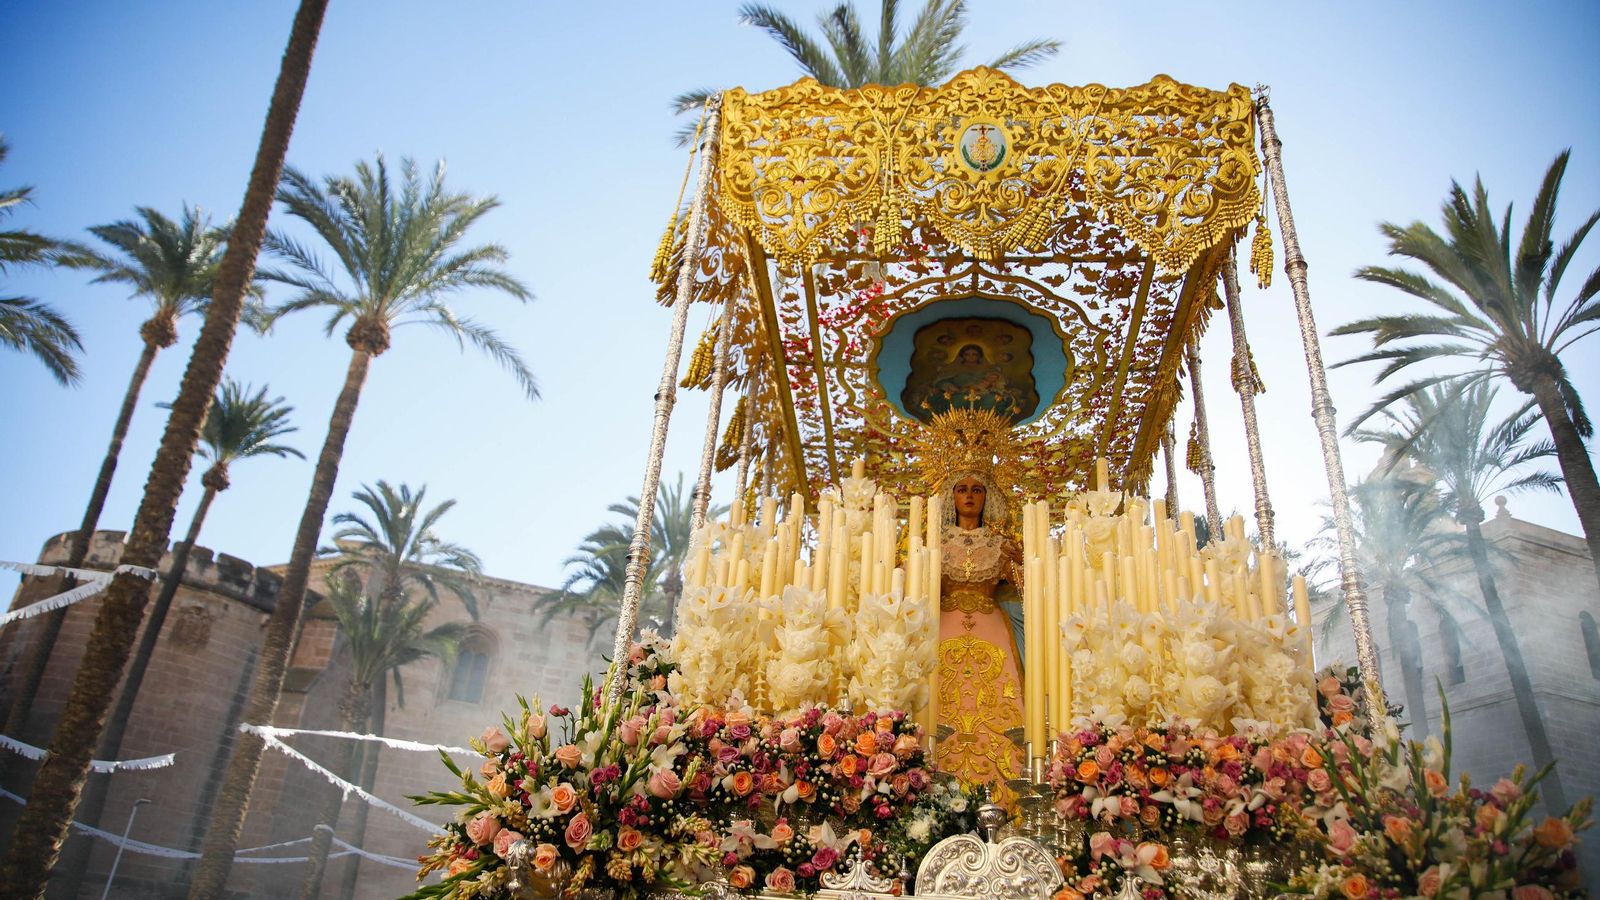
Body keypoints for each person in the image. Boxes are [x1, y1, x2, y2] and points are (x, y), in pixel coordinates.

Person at [933, 469, 1026, 804]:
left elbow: (1025, 589)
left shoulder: (1000, 546)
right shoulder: (936, 544)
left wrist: (1021, 565)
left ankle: (1006, 795)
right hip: (944, 628)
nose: (969, 496)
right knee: (940, 700)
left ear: (988, 498)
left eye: (977, 490)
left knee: (998, 702)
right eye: (962, 489)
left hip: (991, 629)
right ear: (951, 498)